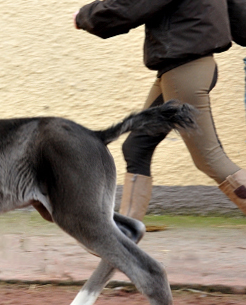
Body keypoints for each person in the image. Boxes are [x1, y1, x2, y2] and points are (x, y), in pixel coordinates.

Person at [73, 0, 246, 219]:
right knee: (137, 147)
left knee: (210, 159)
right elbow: (239, 11)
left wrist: (86, 16)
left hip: (184, 71)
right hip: (187, 68)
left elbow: (130, 7)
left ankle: (122, 244)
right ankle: (125, 242)